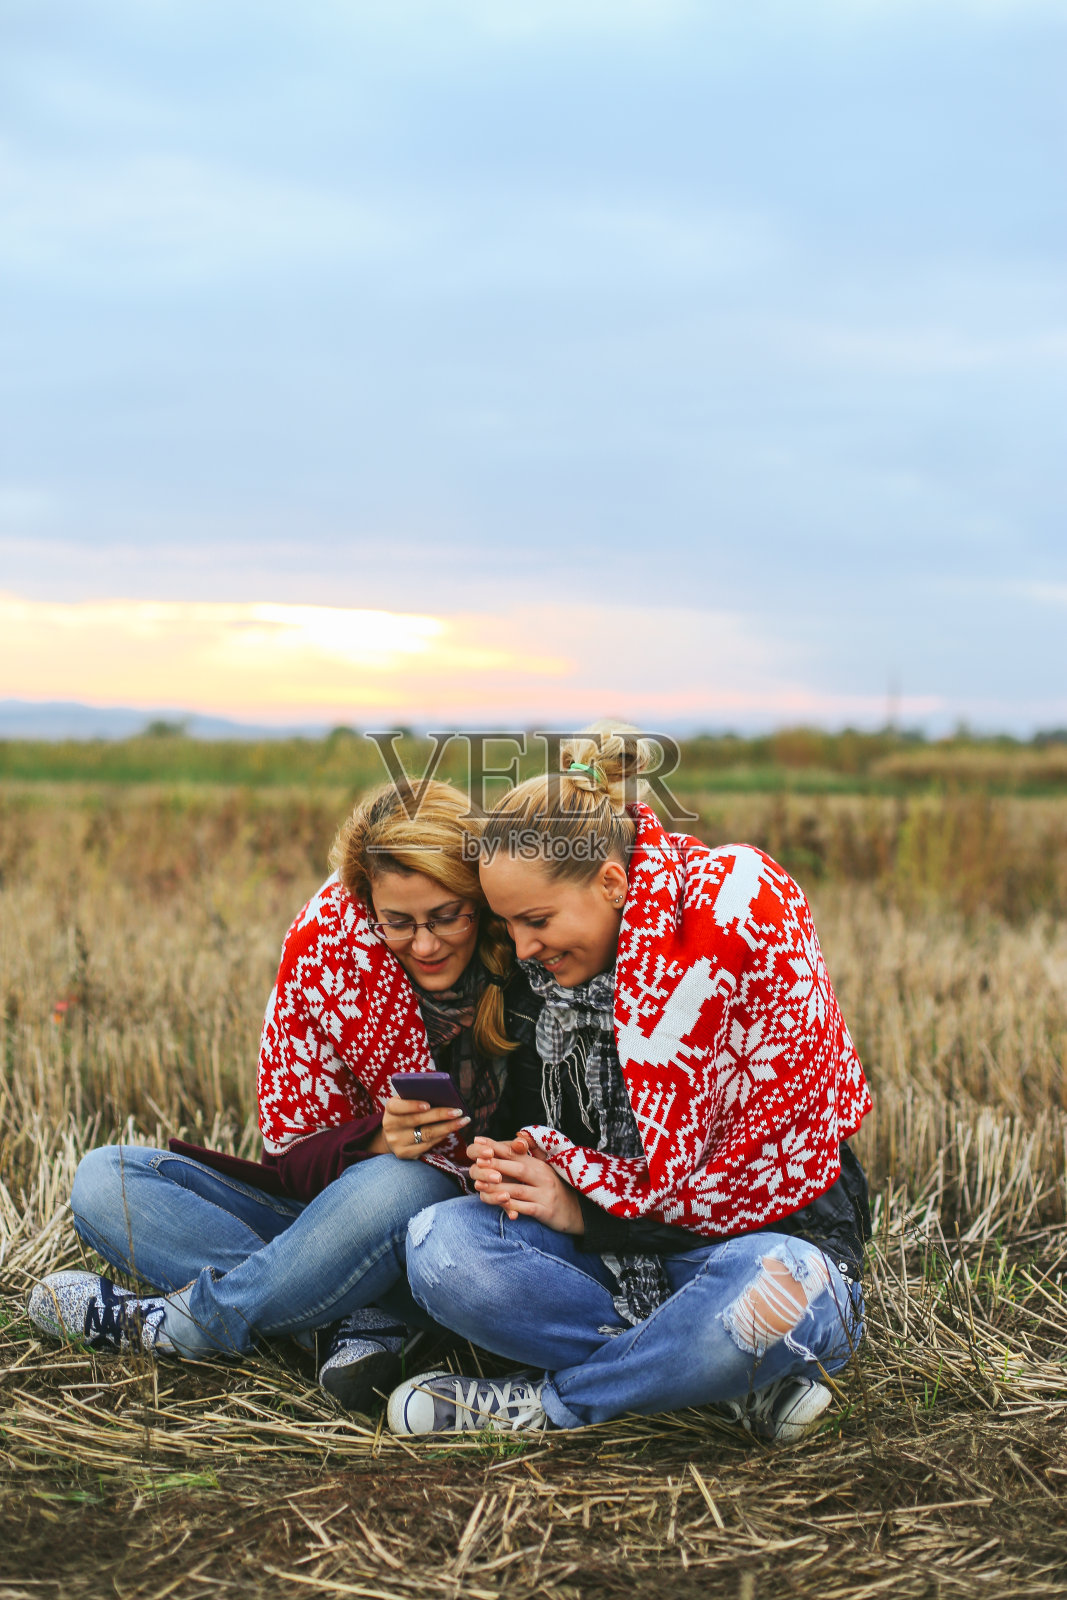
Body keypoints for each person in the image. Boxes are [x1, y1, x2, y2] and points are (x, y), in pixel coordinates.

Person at [387, 728, 873, 1443]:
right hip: (608, 1270)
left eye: (537, 920)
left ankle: (550, 1406)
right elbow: (537, 1139)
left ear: (611, 885)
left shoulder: (734, 947)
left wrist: (587, 1210)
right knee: (439, 1246)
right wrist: (513, 1166)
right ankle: (711, 1382)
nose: (523, 949)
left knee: (779, 1290)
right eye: (509, 925)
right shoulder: (540, 989)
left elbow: (777, 1189)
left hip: (755, 1249)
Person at [28, 779, 529, 1411]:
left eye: (445, 916)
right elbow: (289, 1162)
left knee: (408, 1184)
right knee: (106, 1179)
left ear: (480, 897)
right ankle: (343, 1317)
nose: (424, 945)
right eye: (398, 923)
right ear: (367, 905)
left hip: (449, 1241)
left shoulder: (525, 953)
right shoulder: (334, 955)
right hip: (319, 1224)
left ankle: (173, 1325)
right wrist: (376, 1137)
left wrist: (421, 1160)